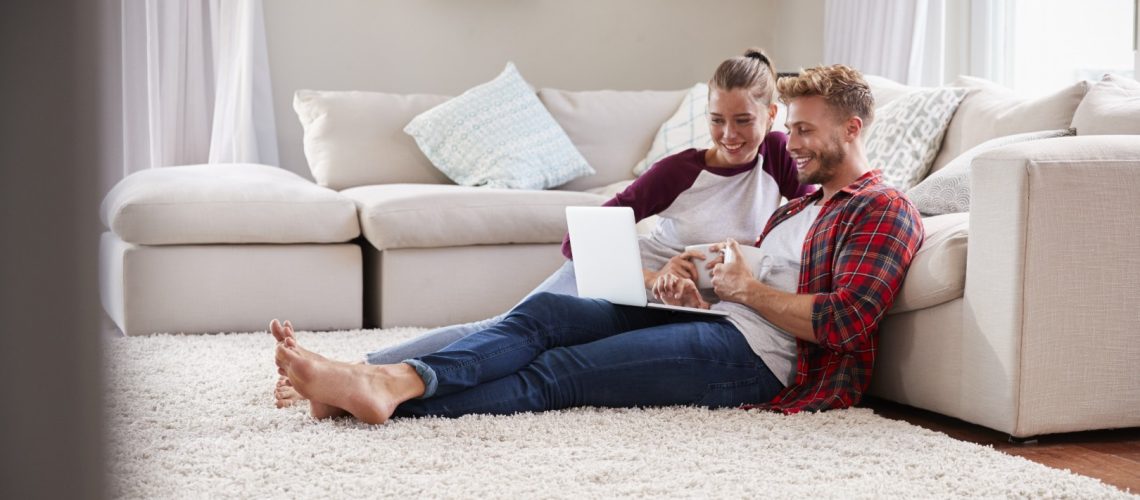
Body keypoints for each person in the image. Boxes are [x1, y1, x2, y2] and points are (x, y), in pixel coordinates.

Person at [271, 63, 924, 424]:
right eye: (792, 130)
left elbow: (843, 321)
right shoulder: (809, 201)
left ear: (853, 129)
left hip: (756, 357)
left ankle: (385, 393)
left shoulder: (883, 210)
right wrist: (694, 270)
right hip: (716, 311)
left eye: (805, 131)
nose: (793, 144)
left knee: (560, 374)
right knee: (547, 315)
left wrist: (742, 288)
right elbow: (760, 264)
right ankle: (381, 379)